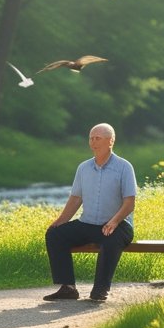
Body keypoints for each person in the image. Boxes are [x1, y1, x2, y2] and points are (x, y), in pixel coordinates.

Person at [43, 123, 137, 302]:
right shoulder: (83, 168)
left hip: (118, 225)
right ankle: (68, 288)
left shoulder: (124, 167)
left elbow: (129, 202)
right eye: (91, 138)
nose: (93, 142)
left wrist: (114, 221)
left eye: (98, 138)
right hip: (88, 223)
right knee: (55, 234)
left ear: (111, 141)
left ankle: (100, 290)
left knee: (111, 239)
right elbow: (76, 199)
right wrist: (60, 220)